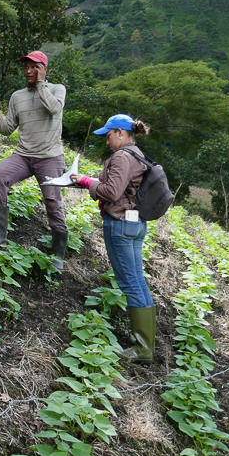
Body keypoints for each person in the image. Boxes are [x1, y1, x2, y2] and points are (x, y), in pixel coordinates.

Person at [71, 114, 155, 364]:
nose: (106, 142)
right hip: (135, 223)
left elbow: (112, 191)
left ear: (120, 132)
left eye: (108, 136)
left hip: (119, 224)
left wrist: (87, 182)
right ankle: (144, 340)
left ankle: (143, 348)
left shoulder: (121, 156)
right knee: (137, 280)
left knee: (129, 283)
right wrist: (87, 182)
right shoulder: (137, 154)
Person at [0, 50, 69, 270]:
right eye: (27, 67)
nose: (29, 71)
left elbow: (54, 108)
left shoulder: (57, 90)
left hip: (49, 157)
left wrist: (40, 85)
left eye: (34, 67)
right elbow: (6, 128)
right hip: (23, 155)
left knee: (52, 201)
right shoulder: (17, 96)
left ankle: (58, 254)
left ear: (44, 69)